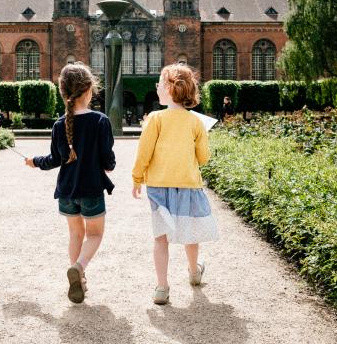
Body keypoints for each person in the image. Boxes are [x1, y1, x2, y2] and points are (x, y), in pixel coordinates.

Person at [25, 63, 116, 304]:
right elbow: (108, 162)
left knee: (76, 234)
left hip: (66, 191)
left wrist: (34, 161)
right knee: (95, 235)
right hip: (91, 189)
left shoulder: (58, 124)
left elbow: (54, 160)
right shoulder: (100, 121)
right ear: (89, 90)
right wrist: (109, 164)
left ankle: (79, 280)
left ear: (63, 92)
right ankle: (79, 267)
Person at [132, 63, 219, 305]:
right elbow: (204, 158)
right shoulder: (196, 122)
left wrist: (137, 178)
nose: (157, 87)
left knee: (160, 237)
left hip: (159, 186)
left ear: (169, 88)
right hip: (189, 184)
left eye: (159, 83)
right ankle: (194, 272)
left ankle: (162, 287)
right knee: (190, 231)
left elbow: (144, 152)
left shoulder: (155, 119)